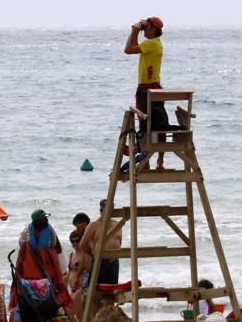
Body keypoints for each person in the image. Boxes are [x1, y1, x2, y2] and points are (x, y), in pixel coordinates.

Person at [8, 209, 72, 321]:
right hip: (46, 274)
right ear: (39, 221)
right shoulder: (50, 232)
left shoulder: (25, 234)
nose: (47, 220)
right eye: (45, 218)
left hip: (30, 276)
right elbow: (57, 249)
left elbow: (21, 251)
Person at [124, 16, 167, 170]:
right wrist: (137, 32)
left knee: (143, 125)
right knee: (160, 124)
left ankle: (146, 162)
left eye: (146, 26)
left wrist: (134, 31)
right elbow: (136, 46)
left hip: (144, 89)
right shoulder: (156, 43)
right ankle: (160, 162)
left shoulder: (149, 43)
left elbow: (128, 49)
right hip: (156, 88)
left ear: (154, 29)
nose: (144, 28)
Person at [79, 199, 122, 317]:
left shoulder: (118, 224)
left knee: (110, 296)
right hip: (99, 263)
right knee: (95, 297)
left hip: (113, 263)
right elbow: (83, 244)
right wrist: (93, 255)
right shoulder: (94, 225)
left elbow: (119, 241)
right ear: (101, 210)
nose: (109, 213)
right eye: (106, 210)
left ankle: (108, 319)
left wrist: (115, 254)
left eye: (111, 210)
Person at [65, 230, 89, 322]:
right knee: (80, 317)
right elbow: (69, 273)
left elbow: (87, 268)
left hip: (81, 288)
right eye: (72, 241)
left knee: (68, 311)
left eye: (77, 240)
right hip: (72, 289)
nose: (75, 243)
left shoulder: (85, 254)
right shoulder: (72, 255)